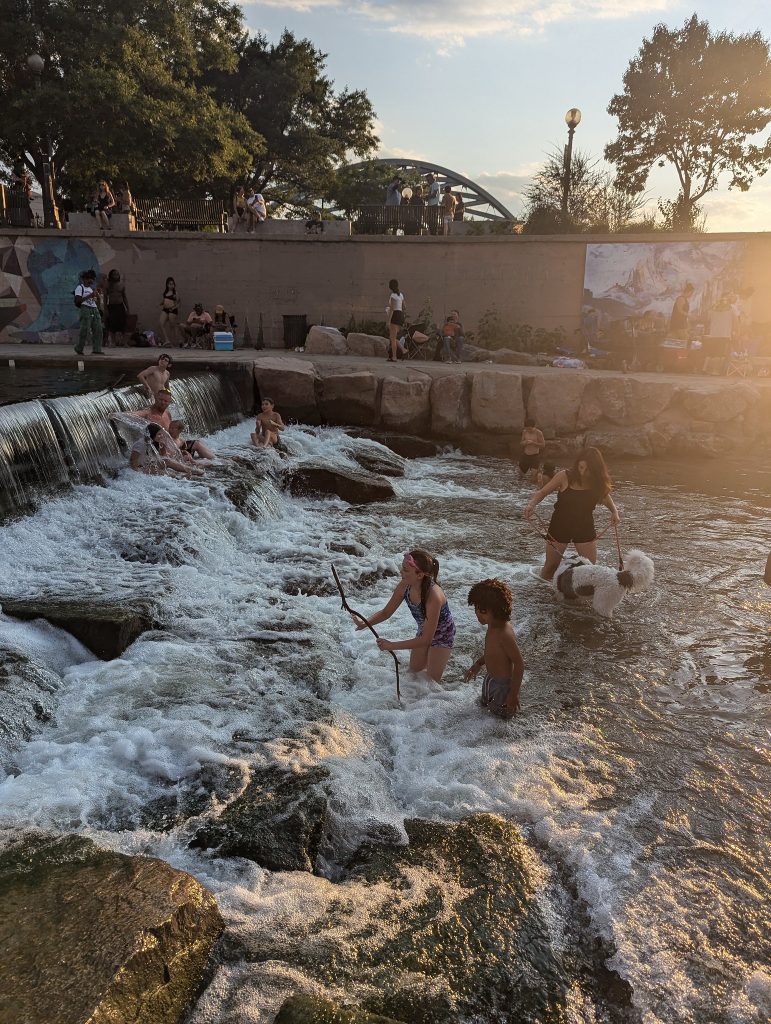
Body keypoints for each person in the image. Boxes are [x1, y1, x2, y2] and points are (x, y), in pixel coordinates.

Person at [352, 549, 456, 683]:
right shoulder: (404, 586)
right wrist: (364, 623)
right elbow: (386, 612)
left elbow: (426, 640)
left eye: (406, 570)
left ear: (420, 575)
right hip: (424, 630)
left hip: (443, 635)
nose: (401, 572)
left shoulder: (433, 596)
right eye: (402, 568)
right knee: (413, 675)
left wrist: (391, 645)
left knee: (431, 683)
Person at [523, 447, 620, 581]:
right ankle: (541, 592)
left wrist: (614, 512)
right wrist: (531, 504)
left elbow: (606, 498)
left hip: (584, 526)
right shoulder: (564, 476)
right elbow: (543, 492)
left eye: (587, 469)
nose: (582, 472)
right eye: (581, 467)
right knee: (551, 567)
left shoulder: (597, 483)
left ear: (596, 469)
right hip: (560, 525)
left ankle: (579, 593)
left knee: (590, 569)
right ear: (577, 464)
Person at [464, 578, 524, 718]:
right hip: (490, 679)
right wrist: (478, 663)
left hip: (502, 687)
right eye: (476, 608)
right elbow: (493, 652)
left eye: (483, 611)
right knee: (483, 713)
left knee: (499, 718)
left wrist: (513, 694)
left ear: (497, 611)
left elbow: (519, 663)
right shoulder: (492, 625)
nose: (477, 613)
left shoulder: (504, 633)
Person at [129, 422, 201, 477]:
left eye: (161, 434)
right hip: (140, 467)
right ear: (152, 434)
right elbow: (133, 463)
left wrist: (163, 446)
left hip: (149, 463)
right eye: (159, 434)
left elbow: (163, 456)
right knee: (160, 472)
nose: (161, 436)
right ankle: (180, 477)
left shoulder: (154, 442)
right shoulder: (140, 444)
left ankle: (192, 470)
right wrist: (142, 472)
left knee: (167, 461)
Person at [73, 269, 103, 355]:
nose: (90, 280)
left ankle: (97, 349)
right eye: (88, 278)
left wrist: (97, 297)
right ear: (84, 279)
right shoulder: (80, 288)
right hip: (85, 308)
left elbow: (96, 301)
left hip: (94, 309)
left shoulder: (91, 289)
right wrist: (90, 296)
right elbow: (78, 300)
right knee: (85, 329)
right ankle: (79, 348)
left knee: (98, 329)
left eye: (92, 278)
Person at [104, 268, 129, 347]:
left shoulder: (121, 285)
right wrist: (105, 309)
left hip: (120, 306)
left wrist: (127, 308)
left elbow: (124, 297)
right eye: (114, 274)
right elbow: (105, 297)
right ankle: (113, 342)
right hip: (111, 306)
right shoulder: (108, 285)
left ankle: (124, 342)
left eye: (117, 274)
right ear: (111, 275)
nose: (116, 276)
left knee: (123, 324)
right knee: (112, 325)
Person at [386, 278, 406, 362]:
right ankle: (403, 350)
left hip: (395, 315)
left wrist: (388, 321)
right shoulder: (400, 295)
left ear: (390, 286)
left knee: (393, 338)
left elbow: (392, 309)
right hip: (400, 315)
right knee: (393, 337)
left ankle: (394, 357)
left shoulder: (393, 295)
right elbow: (405, 307)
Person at [160, 278, 180, 347]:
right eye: (170, 284)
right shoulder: (165, 293)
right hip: (165, 309)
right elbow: (163, 300)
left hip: (172, 310)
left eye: (173, 284)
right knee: (161, 323)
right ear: (167, 285)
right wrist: (161, 303)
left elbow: (179, 303)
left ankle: (174, 341)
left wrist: (173, 308)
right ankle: (167, 340)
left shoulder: (175, 293)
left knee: (172, 326)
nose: (171, 285)